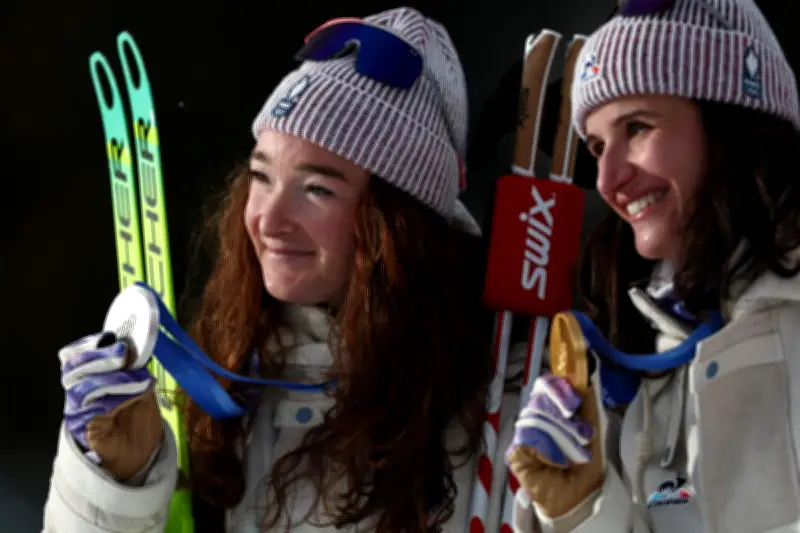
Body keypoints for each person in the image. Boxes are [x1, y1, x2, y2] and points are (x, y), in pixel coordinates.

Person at [42, 8, 506, 533]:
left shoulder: (495, 398)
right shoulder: (230, 368)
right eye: (262, 177)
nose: (267, 219)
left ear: (397, 225)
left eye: (317, 189)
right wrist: (109, 488)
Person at [505, 0, 800, 532]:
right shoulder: (637, 352)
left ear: (731, 122)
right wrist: (583, 513)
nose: (607, 178)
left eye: (637, 127)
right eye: (597, 147)